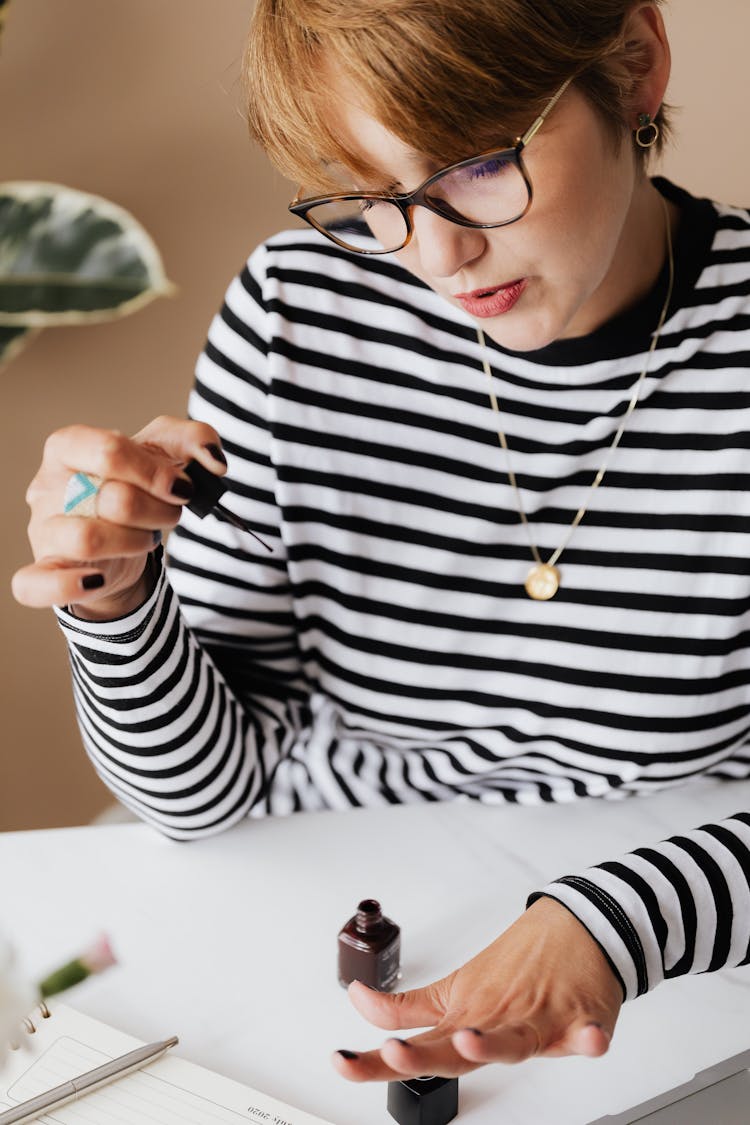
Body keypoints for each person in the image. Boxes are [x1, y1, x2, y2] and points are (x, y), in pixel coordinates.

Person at [11, 0, 750, 1085]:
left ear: (634, 64)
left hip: (675, 950)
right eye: (374, 199)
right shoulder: (297, 311)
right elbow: (201, 796)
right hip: (316, 911)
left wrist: (614, 925)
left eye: (480, 166)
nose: (438, 255)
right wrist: (117, 606)